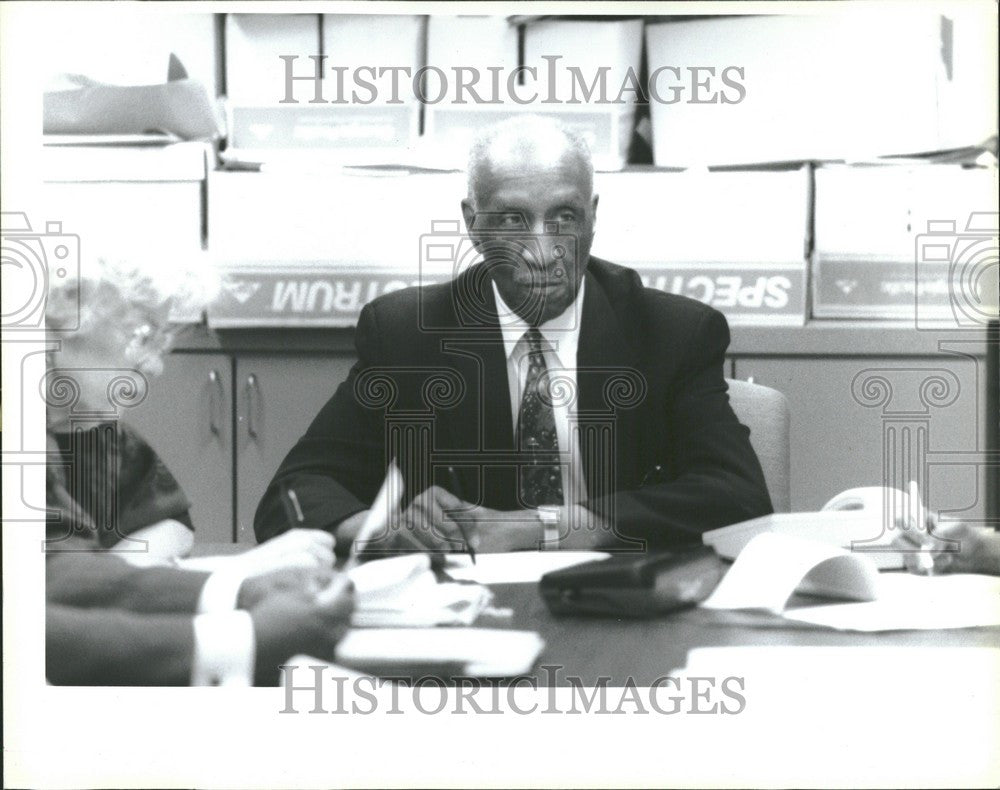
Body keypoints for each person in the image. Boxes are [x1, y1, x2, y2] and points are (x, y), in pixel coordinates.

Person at [255, 116, 772, 556]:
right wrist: (380, 532)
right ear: (472, 225)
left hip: (616, 597)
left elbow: (738, 498)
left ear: (594, 217)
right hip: (468, 607)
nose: (542, 251)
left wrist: (541, 527)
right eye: (512, 220)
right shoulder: (406, 335)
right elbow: (293, 492)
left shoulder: (672, 333)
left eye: (564, 217)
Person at [43, 252, 354, 684]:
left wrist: (113, 570)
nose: (153, 365)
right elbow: (49, 583)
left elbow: (164, 523)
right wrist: (233, 587)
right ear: (62, 311)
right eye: (141, 335)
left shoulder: (86, 425)